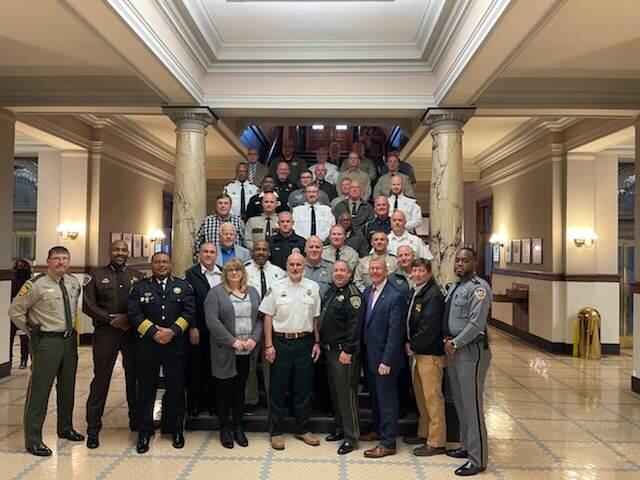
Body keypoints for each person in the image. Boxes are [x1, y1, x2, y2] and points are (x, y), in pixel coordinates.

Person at [8, 246, 84, 456]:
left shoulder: (72, 282)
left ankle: (65, 427)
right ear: (48, 261)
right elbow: (15, 312)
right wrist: (31, 333)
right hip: (47, 342)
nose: (61, 262)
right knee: (40, 391)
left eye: (65, 258)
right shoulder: (35, 285)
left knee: (68, 387)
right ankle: (33, 440)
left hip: (69, 341)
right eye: (57, 258)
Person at [128, 252, 195, 454]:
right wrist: (154, 332)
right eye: (157, 262)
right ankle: (144, 432)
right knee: (146, 389)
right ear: (152, 265)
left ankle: (176, 431)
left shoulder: (184, 286)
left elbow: (189, 312)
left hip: (175, 345)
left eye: (165, 262)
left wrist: (172, 331)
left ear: (171, 264)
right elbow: (134, 314)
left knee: (176, 389)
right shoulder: (140, 287)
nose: (161, 265)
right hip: (148, 345)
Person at [83, 240, 144, 448]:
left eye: (124, 250)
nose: (120, 252)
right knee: (101, 379)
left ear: (128, 252)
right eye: (116, 249)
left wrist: (128, 319)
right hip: (106, 333)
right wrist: (112, 319)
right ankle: (93, 428)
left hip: (131, 334)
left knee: (134, 377)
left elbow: (143, 303)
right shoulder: (96, 275)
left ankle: (136, 420)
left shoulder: (137, 276)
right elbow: (88, 305)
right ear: (110, 251)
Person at [260, 252, 322, 451]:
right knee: (277, 388)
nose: (295, 268)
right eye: (292, 264)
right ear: (286, 266)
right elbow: (267, 317)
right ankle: (276, 431)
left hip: (305, 342)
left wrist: (317, 342)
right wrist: (268, 345)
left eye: (299, 264)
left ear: (304, 266)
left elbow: (315, 319)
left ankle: (303, 429)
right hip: (281, 342)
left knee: (303, 388)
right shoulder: (276, 288)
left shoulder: (313, 288)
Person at [443, 248, 492, 477]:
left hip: (470, 352)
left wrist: (455, 343)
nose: (460, 263)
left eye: (465, 260)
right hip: (454, 350)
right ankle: (465, 445)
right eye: (458, 260)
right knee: (461, 404)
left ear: (475, 262)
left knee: (472, 406)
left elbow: (476, 324)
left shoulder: (479, 289)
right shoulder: (456, 287)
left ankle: (478, 458)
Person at [205, 258, 263, 448]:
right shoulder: (216, 293)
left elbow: (260, 318)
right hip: (226, 351)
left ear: (243, 272)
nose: (234, 273)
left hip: (247, 351)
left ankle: (238, 427)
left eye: (237, 270)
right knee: (223, 391)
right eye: (230, 270)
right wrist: (233, 342)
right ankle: (224, 428)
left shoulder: (253, 292)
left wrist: (254, 338)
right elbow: (212, 321)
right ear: (225, 273)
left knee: (240, 391)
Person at [360, 258, 405, 458]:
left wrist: (387, 361)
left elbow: (395, 333)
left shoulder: (395, 296)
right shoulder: (367, 292)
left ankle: (388, 443)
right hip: (370, 358)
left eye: (379, 268)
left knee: (387, 401)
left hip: (385, 360)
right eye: (372, 269)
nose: (375, 271)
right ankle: (377, 430)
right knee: (376, 399)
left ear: (387, 271)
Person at [319, 260, 364, 455]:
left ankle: (351, 437)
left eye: (342, 270)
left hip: (343, 352)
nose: (338, 273)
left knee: (346, 395)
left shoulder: (353, 295)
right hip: (330, 350)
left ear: (350, 273)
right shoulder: (332, 291)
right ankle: (340, 429)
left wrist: (348, 350)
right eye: (335, 270)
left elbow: (355, 327)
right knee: (336, 394)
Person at [404, 258, 447, 457]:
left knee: (433, 399)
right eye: (415, 271)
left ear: (429, 273)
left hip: (430, 355)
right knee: (421, 397)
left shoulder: (433, 295)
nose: (418, 274)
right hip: (419, 354)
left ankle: (436, 441)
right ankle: (424, 433)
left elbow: (429, 327)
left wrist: (413, 345)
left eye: (422, 271)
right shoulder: (417, 291)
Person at [244, 240, 286, 414]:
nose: (261, 252)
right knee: (250, 363)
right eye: (257, 249)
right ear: (252, 252)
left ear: (269, 252)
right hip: (250, 324)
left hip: (273, 324)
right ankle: (250, 399)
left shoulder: (279, 272)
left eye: (264, 249)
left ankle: (272, 399)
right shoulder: (244, 270)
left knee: (272, 363)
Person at [184, 242, 222, 417]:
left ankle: (214, 404)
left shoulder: (223, 273)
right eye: (205, 252)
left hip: (220, 331)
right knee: (196, 368)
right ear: (199, 254)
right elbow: (188, 304)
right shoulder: (191, 275)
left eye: (212, 252)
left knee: (215, 367)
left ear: (216, 255)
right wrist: (192, 327)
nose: (208, 255)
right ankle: (195, 405)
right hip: (199, 329)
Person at [9, 258, 31, 369]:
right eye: (18, 266)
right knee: (11, 337)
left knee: (24, 338)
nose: (20, 269)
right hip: (13, 312)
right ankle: (10, 359)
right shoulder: (11, 281)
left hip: (25, 312)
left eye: (22, 266)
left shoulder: (30, 282)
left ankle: (24, 359)